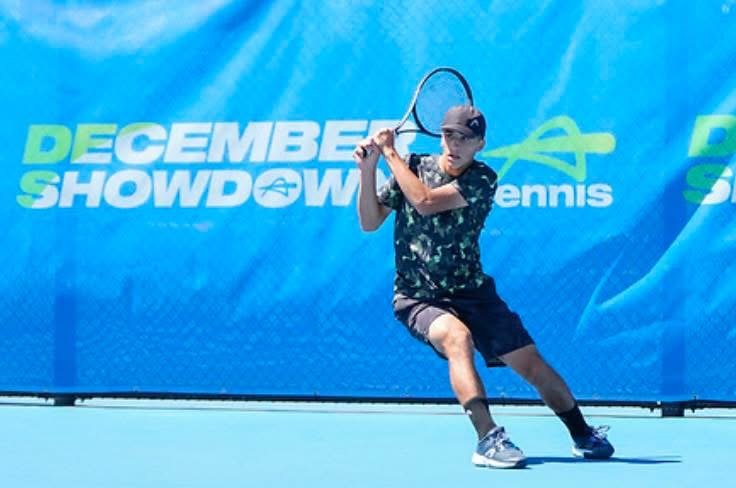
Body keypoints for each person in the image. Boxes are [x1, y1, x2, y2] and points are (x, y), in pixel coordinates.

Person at [353, 105, 614, 469]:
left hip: (474, 293)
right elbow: (369, 221)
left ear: (480, 144)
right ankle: (488, 438)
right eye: (448, 135)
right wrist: (368, 172)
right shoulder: (412, 167)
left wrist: (390, 153)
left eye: (465, 138)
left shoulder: (482, 179)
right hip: (418, 297)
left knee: (531, 364)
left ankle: (582, 434)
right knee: (457, 338)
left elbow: (426, 203)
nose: (454, 144)